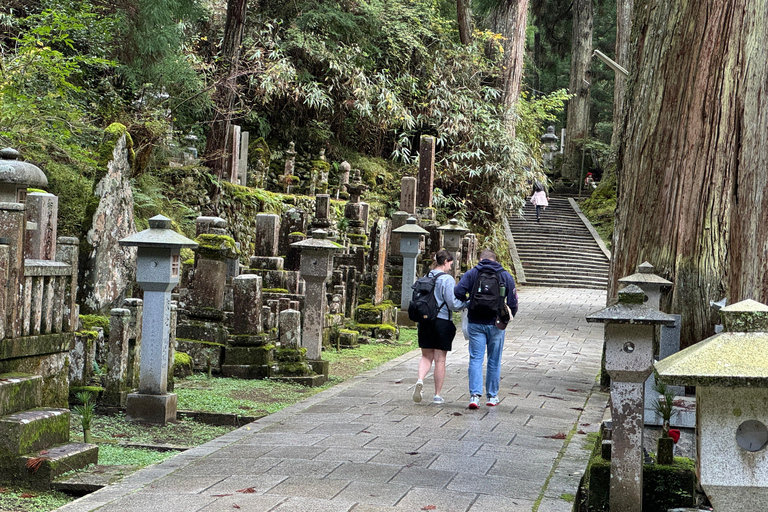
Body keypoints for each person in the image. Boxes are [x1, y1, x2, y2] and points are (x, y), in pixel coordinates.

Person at [454, 249, 518, 409]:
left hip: (475, 322)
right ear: (495, 260)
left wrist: (469, 302)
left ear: (481, 259)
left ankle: (474, 396)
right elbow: (513, 302)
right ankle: (492, 396)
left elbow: (458, 292)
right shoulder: (505, 275)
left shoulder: (472, 273)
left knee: (476, 358)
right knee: (494, 360)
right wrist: (505, 317)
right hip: (496, 323)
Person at [413, 250, 467, 405]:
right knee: (440, 360)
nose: (450, 267)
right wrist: (466, 303)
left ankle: (420, 379)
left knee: (425, 356)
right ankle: (437, 395)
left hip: (425, 321)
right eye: (450, 264)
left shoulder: (426, 276)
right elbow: (452, 304)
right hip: (442, 322)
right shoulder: (447, 279)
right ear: (445, 262)